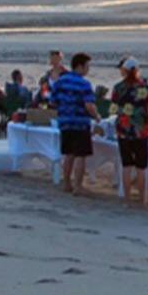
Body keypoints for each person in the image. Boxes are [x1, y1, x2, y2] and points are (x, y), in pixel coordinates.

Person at [110, 57, 148, 207]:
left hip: (124, 129)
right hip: (141, 130)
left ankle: (127, 200)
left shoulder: (118, 87)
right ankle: (143, 200)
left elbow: (113, 107)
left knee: (126, 165)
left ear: (124, 70)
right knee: (142, 167)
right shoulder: (144, 87)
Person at [52, 53, 98, 195]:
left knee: (69, 154)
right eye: (87, 66)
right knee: (80, 155)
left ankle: (66, 183)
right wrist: (97, 116)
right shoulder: (84, 84)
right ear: (80, 66)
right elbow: (89, 105)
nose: (88, 70)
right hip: (80, 122)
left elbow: (53, 101)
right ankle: (78, 186)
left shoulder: (60, 81)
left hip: (65, 121)